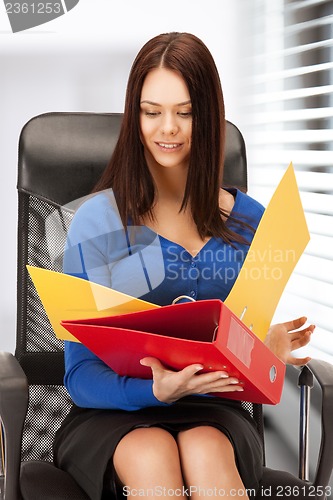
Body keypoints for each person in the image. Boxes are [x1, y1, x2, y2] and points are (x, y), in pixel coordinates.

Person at [53, 32, 314, 500]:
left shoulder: (251, 221)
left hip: (215, 412)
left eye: (185, 112)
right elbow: (78, 375)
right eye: (151, 112)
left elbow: (244, 365)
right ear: (135, 118)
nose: (167, 128)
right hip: (113, 413)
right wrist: (156, 392)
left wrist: (263, 354)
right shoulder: (99, 222)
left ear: (209, 117)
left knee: (206, 451)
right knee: (153, 456)